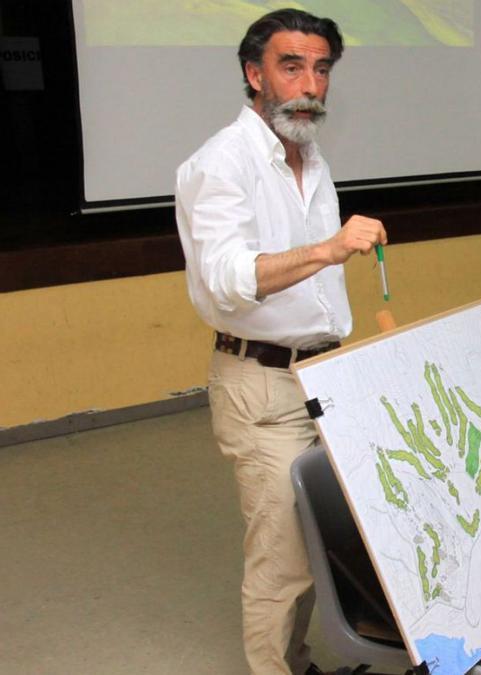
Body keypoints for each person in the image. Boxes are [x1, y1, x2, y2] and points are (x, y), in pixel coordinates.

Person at [175, 9, 387, 674]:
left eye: (321, 68)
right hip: (262, 386)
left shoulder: (311, 156)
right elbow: (229, 279)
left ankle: (296, 661)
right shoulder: (219, 164)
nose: (310, 84)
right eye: (291, 65)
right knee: (282, 557)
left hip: (325, 376)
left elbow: (315, 292)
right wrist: (328, 248)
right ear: (254, 73)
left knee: (322, 539)